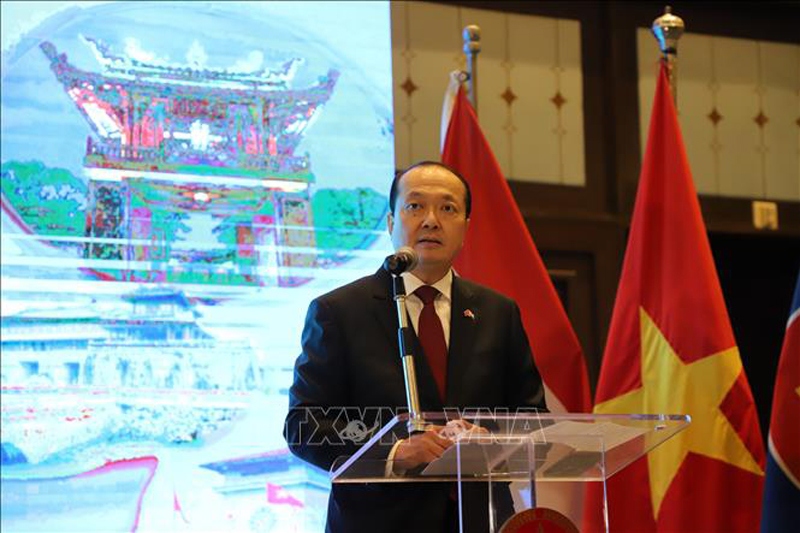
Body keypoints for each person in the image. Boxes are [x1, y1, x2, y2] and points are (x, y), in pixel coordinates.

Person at [284, 161, 546, 532]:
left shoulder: (497, 312)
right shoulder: (339, 311)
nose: (431, 220)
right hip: (376, 522)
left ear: (466, 228)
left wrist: (492, 439)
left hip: (479, 520)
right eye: (415, 206)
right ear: (391, 223)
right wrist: (394, 451)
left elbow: (534, 421)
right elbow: (303, 426)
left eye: (448, 208)